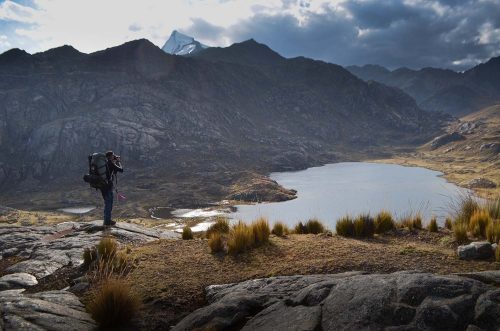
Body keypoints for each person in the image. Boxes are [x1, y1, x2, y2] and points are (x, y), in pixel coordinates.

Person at [101, 150, 123, 226]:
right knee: (108, 203)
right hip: (107, 186)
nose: (114, 156)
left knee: (107, 203)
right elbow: (121, 169)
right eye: (113, 155)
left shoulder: (105, 163)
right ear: (110, 156)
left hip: (102, 186)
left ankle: (107, 220)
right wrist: (119, 161)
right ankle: (107, 221)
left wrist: (115, 161)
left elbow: (114, 171)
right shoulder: (110, 163)